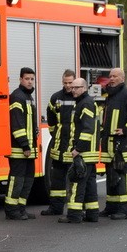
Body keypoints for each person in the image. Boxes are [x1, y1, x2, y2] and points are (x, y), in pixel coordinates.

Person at [100, 68, 127, 220]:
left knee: (123, 176)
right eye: (110, 76)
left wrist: (125, 129)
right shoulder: (110, 95)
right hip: (110, 145)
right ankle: (111, 207)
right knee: (111, 177)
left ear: (122, 78)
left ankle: (125, 210)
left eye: (115, 76)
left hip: (122, 146)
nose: (111, 79)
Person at [60, 79, 100, 223]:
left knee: (77, 183)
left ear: (84, 88)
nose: (73, 90)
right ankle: (92, 214)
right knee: (89, 185)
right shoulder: (84, 102)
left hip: (84, 153)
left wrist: (78, 149)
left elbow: (88, 129)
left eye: (76, 87)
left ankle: (74, 215)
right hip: (89, 153)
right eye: (72, 87)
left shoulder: (85, 103)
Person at [5, 67, 39, 220]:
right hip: (19, 149)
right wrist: (25, 145)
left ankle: (21, 209)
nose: (30, 81)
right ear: (20, 79)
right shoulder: (17, 97)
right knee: (17, 180)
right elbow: (16, 124)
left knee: (28, 180)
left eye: (32, 79)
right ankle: (12, 210)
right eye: (27, 79)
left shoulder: (28, 97)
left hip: (28, 149)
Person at [42, 70, 77, 216]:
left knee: (74, 180)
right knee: (57, 180)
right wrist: (54, 132)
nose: (68, 86)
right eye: (65, 83)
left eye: (70, 83)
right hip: (58, 146)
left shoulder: (80, 98)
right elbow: (50, 114)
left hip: (73, 147)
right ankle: (56, 208)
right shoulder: (56, 98)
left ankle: (74, 210)